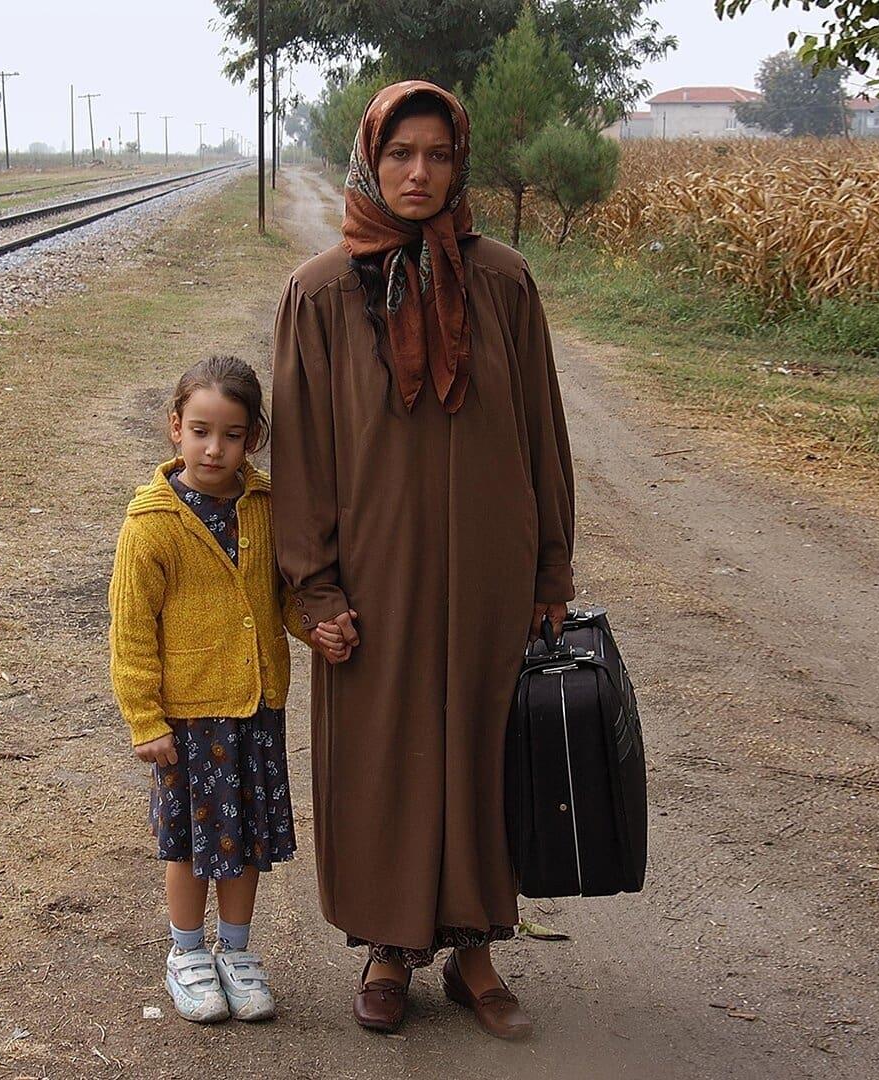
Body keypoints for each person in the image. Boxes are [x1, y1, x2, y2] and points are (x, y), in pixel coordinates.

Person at [271, 81, 576, 1040]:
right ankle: (388, 949)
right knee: (382, 754)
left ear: (458, 166)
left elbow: (542, 435)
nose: (418, 173)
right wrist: (314, 587)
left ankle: (477, 952)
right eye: (401, 153)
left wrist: (550, 572)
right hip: (379, 574)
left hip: (490, 567)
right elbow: (305, 458)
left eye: (438, 156)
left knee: (489, 749)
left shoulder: (502, 282)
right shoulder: (321, 293)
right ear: (371, 159)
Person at [108, 356, 350, 1024]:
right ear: (175, 429)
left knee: (243, 842)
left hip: (255, 711)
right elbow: (131, 631)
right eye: (201, 430)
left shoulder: (266, 509)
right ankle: (186, 954)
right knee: (189, 845)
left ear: (255, 437)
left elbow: (280, 598)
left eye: (233, 434)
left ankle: (237, 953)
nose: (215, 448)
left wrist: (317, 631)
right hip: (187, 720)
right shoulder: (152, 523)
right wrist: (145, 719)